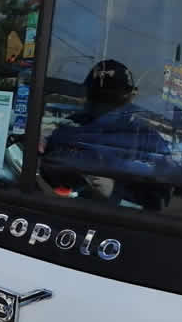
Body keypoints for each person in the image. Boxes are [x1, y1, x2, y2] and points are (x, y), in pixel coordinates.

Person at [42, 59, 171, 210]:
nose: (101, 105)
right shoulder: (69, 127)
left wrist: (115, 193)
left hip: (116, 224)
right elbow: (47, 167)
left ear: (128, 97)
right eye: (96, 96)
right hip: (62, 211)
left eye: (110, 98)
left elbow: (158, 204)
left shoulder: (148, 140)